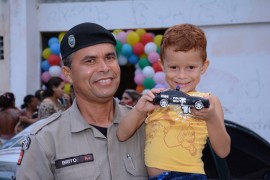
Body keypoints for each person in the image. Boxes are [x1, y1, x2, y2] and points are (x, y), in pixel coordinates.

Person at [16, 22, 147, 179]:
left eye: (110, 57)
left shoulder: (146, 125)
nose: (105, 68)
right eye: (90, 61)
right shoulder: (45, 140)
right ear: (68, 74)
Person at [117, 24, 231, 179]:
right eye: (174, 67)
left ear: (203, 66)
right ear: (162, 65)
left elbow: (223, 151)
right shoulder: (154, 100)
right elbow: (121, 135)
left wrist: (211, 118)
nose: (181, 75)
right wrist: (139, 109)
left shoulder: (209, 101)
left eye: (190, 67)